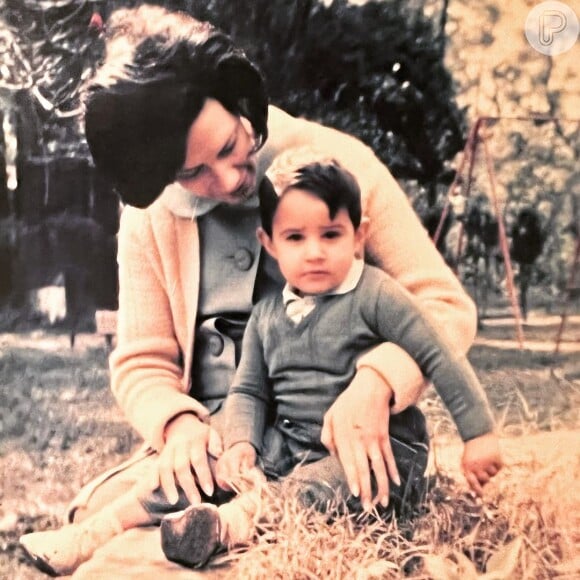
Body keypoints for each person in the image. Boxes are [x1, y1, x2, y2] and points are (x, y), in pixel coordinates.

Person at [20, 4, 482, 575]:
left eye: (226, 147)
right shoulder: (151, 216)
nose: (226, 181)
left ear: (240, 97)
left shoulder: (337, 167)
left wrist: (378, 383)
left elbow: (444, 307)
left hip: (333, 439)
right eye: (191, 174)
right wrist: (178, 424)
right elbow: (143, 360)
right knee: (109, 514)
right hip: (222, 443)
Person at [159, 154, 503, 568]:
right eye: (295, 238)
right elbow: (249, 389)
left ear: (359, 236)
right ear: (268, 243)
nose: (315, 252)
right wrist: (241, 443)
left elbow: (438, 354)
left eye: (331, 234)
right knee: (218, 461)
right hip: (292, 441)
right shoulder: (267, 314)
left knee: (325, 486)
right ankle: (142, 519)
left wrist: (479, 434)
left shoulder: (377, 294)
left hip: (378, 450)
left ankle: (230, 525)